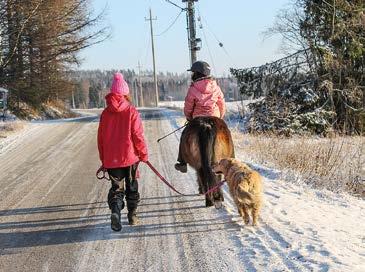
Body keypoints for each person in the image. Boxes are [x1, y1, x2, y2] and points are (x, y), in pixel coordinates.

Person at [97, 72, 148, 231]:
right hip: (130, 158)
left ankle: (116, 212)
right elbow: (137, 135)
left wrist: (104, 159)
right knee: (132, 186)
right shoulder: (132, 111)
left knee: (116, 189)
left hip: (112, 159)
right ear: (126, 93)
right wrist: (143, 154)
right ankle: (132, 216)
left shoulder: (105, 113)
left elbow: (101, 138)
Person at [175, 61, 226, 173]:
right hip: (215, 118)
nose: (192, 75)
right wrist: (220, 118)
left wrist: (189, 118)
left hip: (198, 119)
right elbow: (221, 104)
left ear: (197, 74)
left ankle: (182, 162)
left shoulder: (193, 89)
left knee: (184, 135)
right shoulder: (216, 87)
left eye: (193, 72)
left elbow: (188, 107)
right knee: (227, 135)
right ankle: (231, 159)